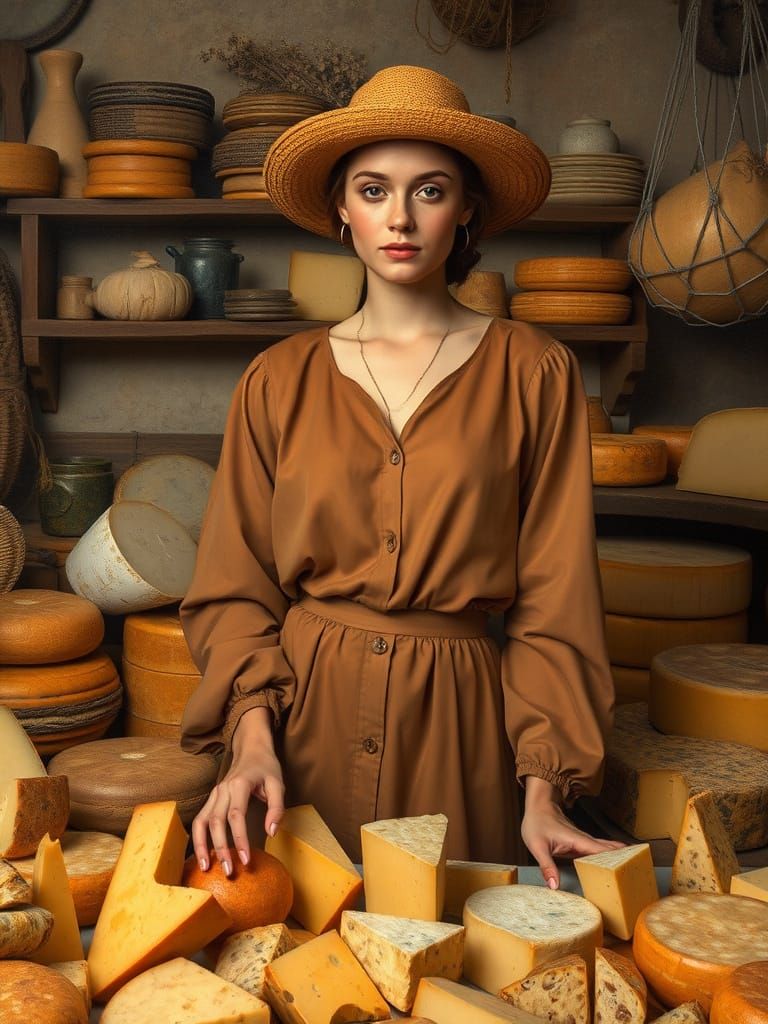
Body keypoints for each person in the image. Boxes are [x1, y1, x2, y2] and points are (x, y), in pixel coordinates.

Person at [179, 64, 620, 889]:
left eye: (431, 190)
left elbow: (556, 597)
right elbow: (235, 585)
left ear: (466, 213)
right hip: (302, 727)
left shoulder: (535, 370)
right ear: (342, 211)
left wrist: (545, 787)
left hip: (460, 729)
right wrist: (248, 740)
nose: (401, 218)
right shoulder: (278, 377)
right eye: (375, 191)